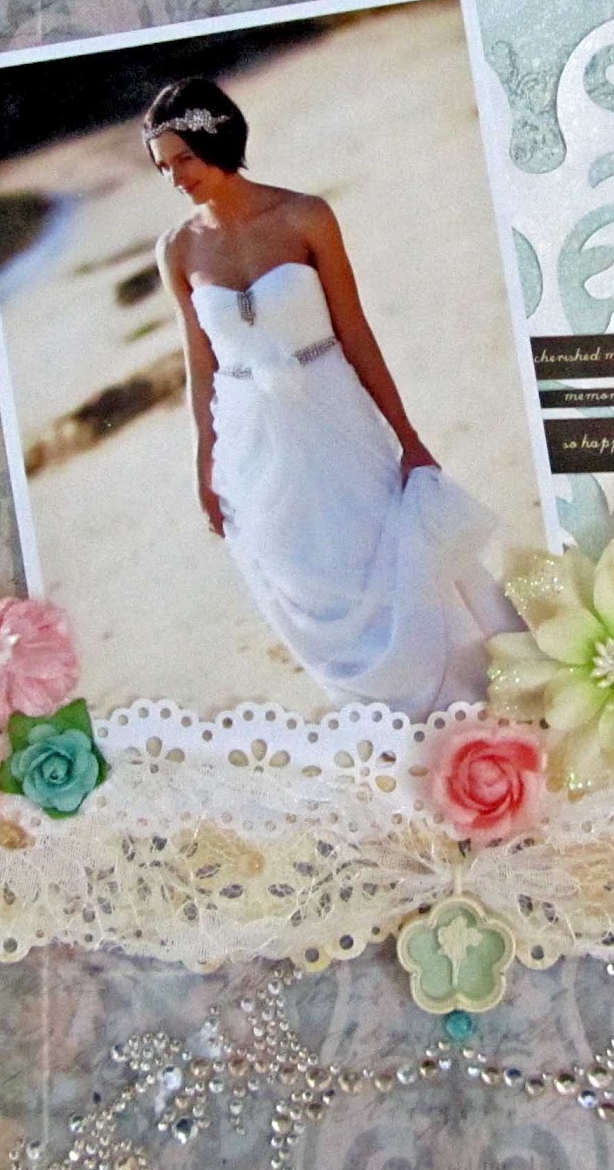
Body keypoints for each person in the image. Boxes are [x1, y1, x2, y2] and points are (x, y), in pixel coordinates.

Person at [147, 77, 516, 717]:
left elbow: (356, 334)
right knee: (305, 574)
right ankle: (380, 713)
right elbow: (199, 367)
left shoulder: (306, 216)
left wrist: (409, 438)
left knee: (381, 550)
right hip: (251, 440)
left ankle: (453, 690)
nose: (177, 178)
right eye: (163, 168)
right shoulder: (177, 249)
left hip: (333, 410)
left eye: (184, 159)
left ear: (218, 139)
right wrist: (204, 464)